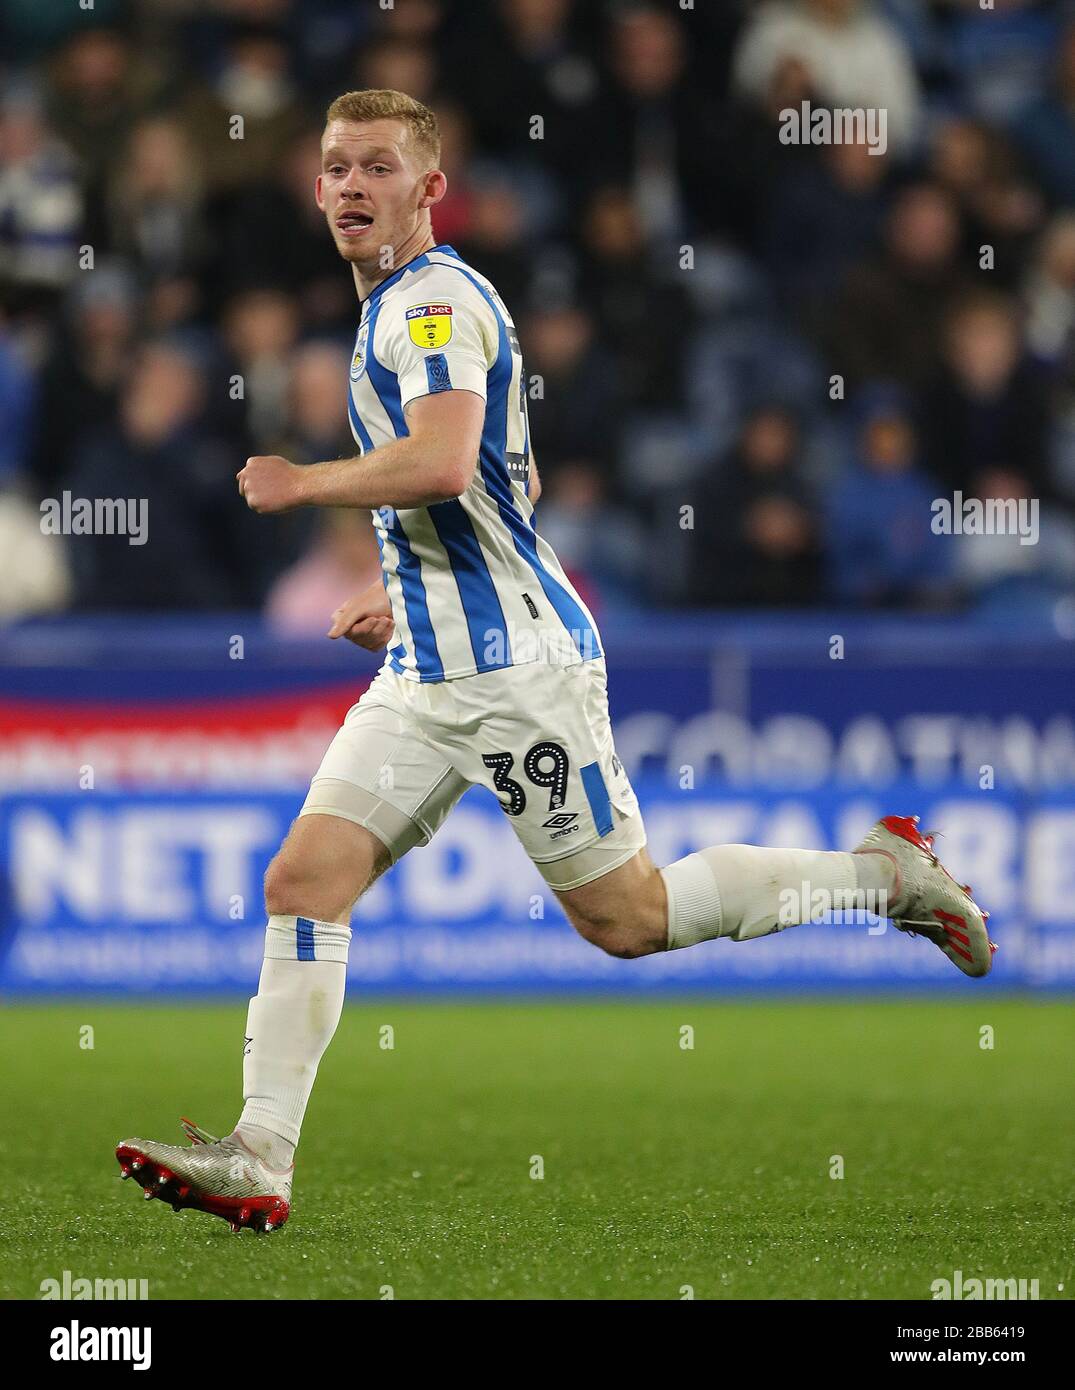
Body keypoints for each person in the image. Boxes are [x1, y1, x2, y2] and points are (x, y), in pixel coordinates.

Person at [116, 89, 996, 1235]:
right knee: (304, 881)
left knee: (627, 919)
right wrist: (410, 589)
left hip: (514, 673)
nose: (348, 187)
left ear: (429, 190)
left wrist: (306, 480)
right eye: (334, 166)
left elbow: (439, 464)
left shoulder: (425, 306)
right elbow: (503, 487)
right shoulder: (405, 305)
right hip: (433, 664)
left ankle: (885, 876)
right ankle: (260, 1154)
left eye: (378, 168)